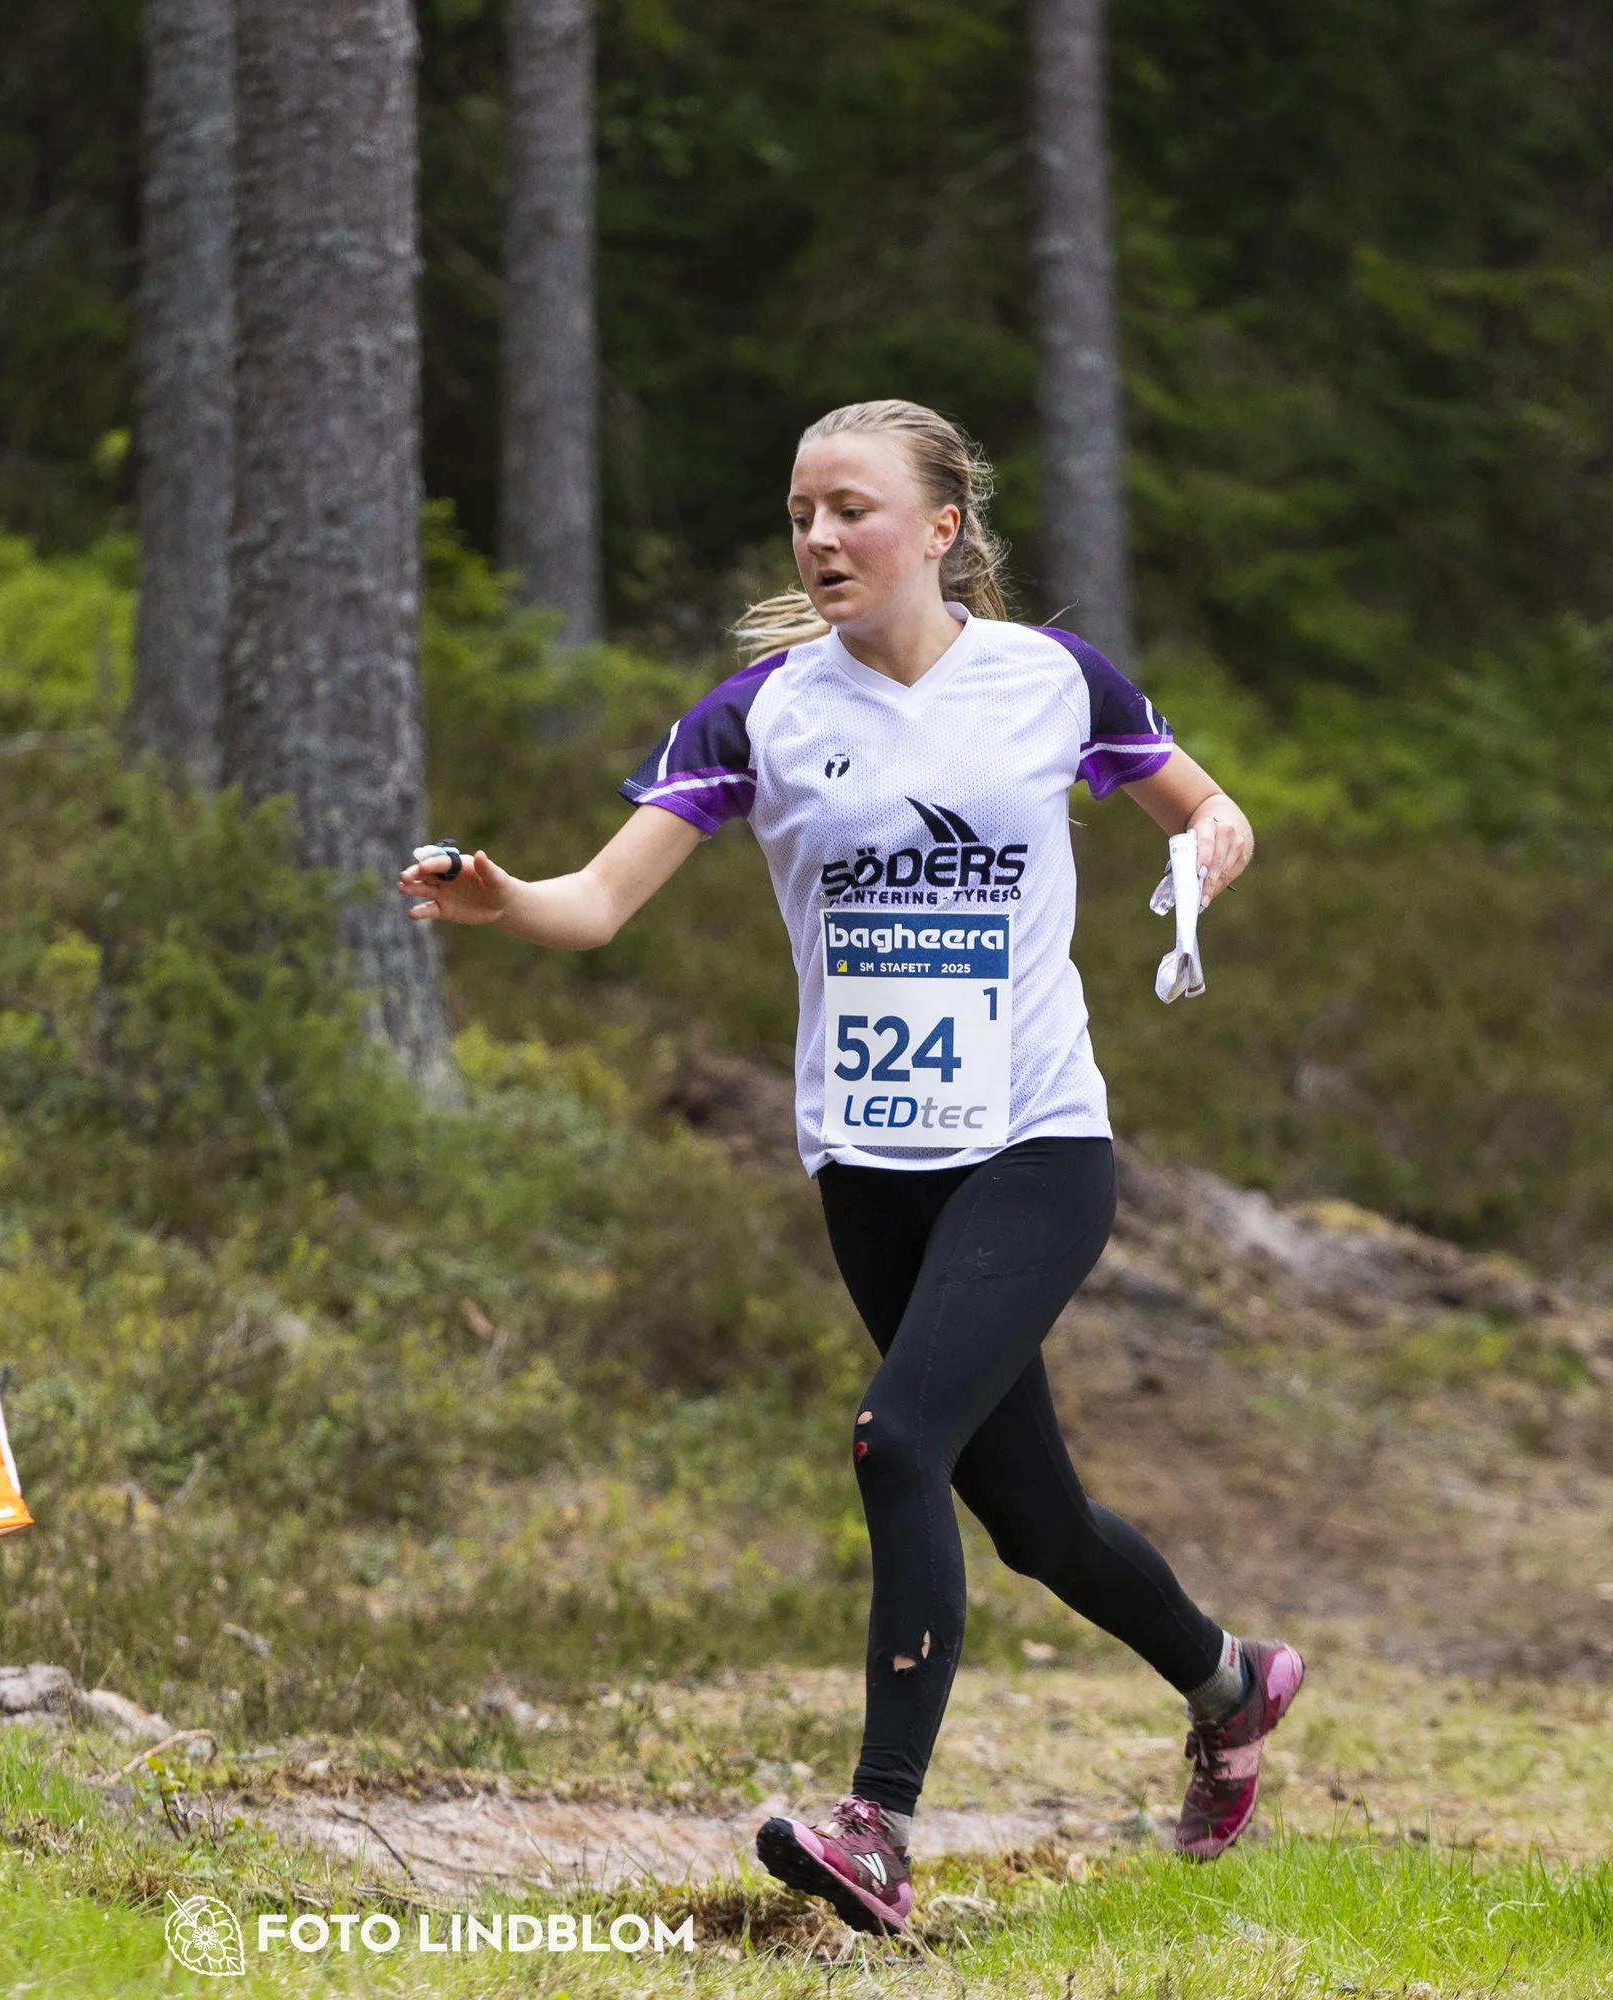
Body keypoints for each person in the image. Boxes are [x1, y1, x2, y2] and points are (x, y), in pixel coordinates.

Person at [398, 399, 1303, 1936]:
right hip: (871, 1163)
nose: (821, 538)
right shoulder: (757, 714)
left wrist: (1211, 840)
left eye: (854, 510)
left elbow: (1205, 803)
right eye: (803, 511)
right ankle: (1230, 1686)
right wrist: (499, 901)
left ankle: (878, 1826)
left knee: (897, 1442)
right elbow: (597, 905)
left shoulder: (1050, 683)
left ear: (941, 529)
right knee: (1037, 1523)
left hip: (1034, 1137)